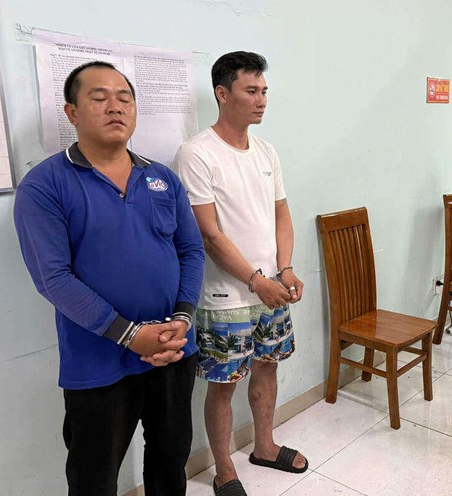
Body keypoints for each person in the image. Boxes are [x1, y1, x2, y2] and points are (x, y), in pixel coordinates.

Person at [13, 61, 205, 496]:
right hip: (98, 360)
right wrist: (129, 334)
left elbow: (190, 250)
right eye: (99, 98)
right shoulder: (45, 186)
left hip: (175, 349)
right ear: (72, 113)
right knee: (93, 475)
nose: (115, 107)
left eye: (124, 98)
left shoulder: (162, 178)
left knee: (171, 461)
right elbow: (53, 278)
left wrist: (183, 318)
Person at [172, 51, 306, 496]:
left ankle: (264, 446)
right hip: (226, 297)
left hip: (271, 290)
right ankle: (224, 469)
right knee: (223, 385)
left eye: (264, 90)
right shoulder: (197, 153)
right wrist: (256, 281)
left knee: (267, 368)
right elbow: (208, 235)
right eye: (251, 91)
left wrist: (284, 269)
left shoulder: (266, 151)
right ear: (222, 93)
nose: (262, 99)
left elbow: (281, 213)